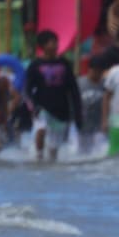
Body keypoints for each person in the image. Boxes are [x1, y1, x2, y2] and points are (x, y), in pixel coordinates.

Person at [24, 30, 83, 163]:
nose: (56, 45)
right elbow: (27, 89)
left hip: (62, 109)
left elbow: (73, 89)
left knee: (54, 148)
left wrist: (78, 111)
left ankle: (50, 166)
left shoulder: (65, 64)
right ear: (43, 46)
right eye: (52, 42)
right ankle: (38, 157)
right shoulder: (35, 65)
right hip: (42, 107)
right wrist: (32, 107)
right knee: (41, 129)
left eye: (56, 42)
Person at [77, 58, 106, 154]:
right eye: (95, 71)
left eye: (100, 71)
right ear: (89, 70)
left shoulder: (105, 84)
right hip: (83, 124)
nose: (98, 74)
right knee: (83, 152)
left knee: (101, 151)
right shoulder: (79, 83)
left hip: (99, 123)